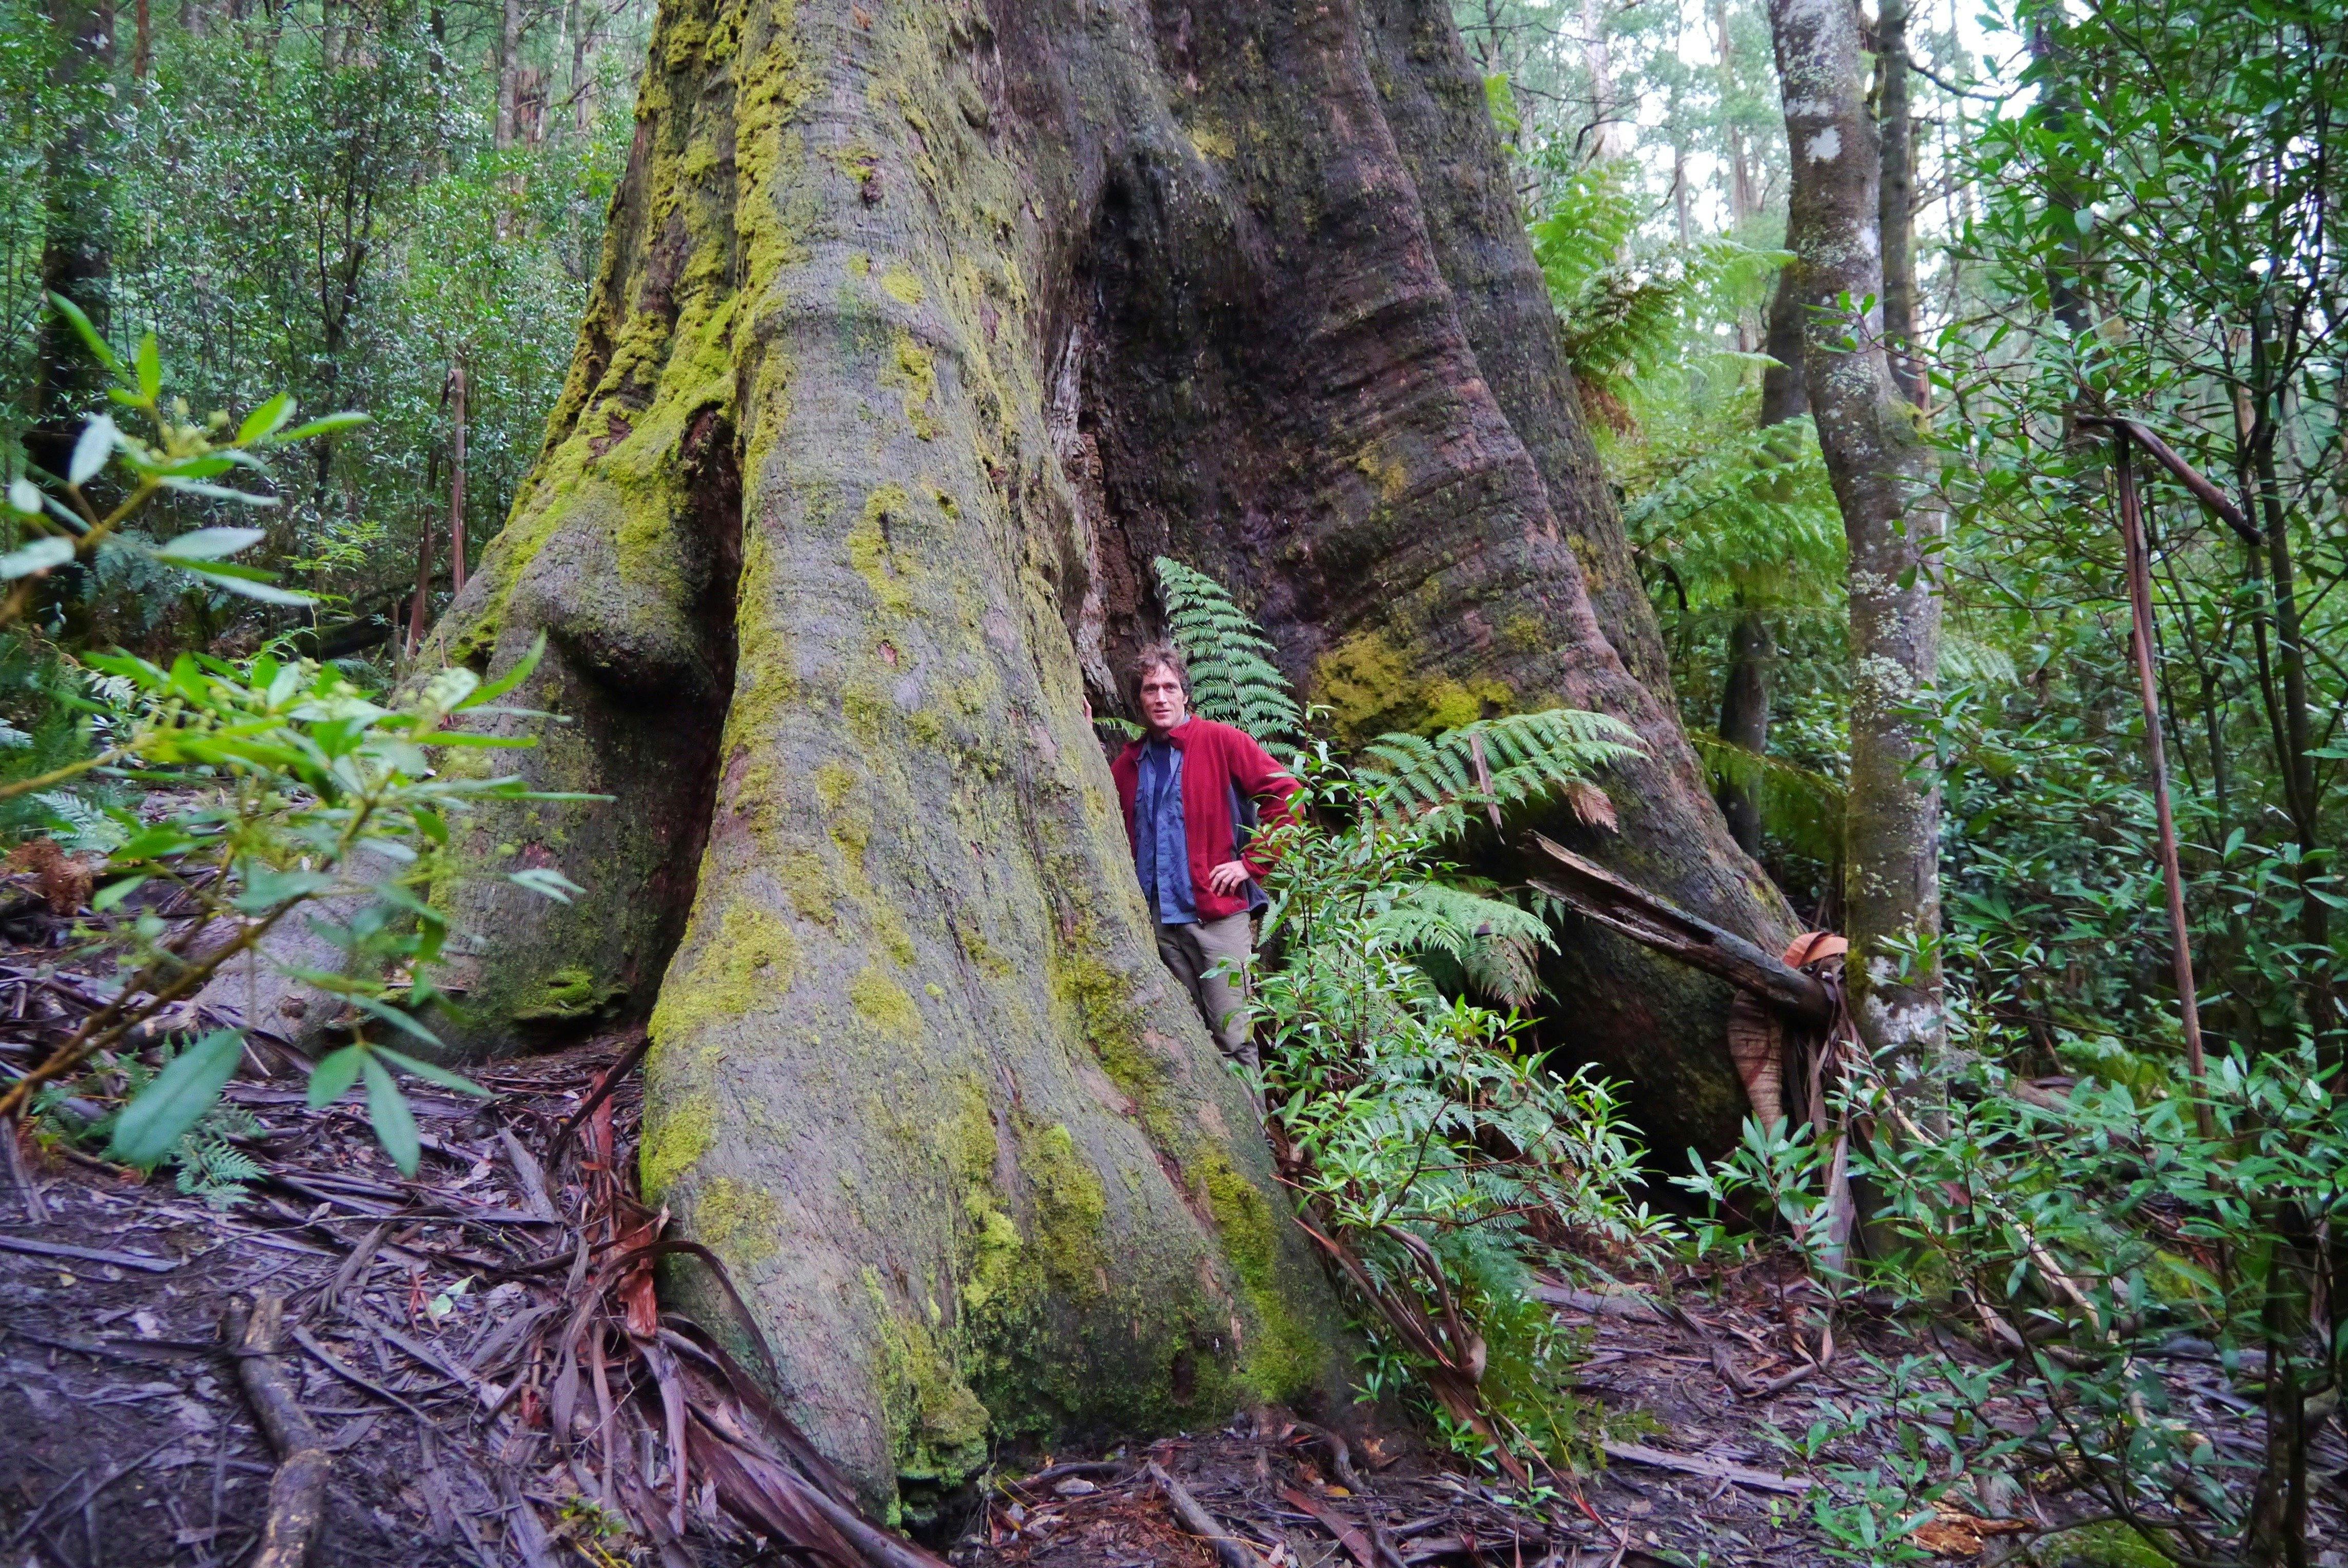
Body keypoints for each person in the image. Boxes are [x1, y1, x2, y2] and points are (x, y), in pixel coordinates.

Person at [1109, 642, 1300, 1065]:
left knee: (1234, 1037)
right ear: (1139, 699)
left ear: (1185, 694)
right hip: (1156, 923)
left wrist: (1251, 864)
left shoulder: (1220, 741)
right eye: (1150, 689)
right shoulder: (1128, 763)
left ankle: (1254, 1131)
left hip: (1216, 916)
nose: (1160, 697)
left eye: (1170, 687)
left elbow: (1287, 794)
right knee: (1185, 1037)